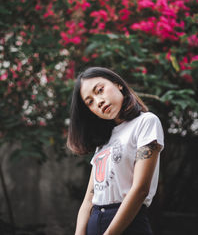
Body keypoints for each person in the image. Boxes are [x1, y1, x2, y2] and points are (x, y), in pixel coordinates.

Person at [67, 67, 164, 235]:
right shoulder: (104, 140)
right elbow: (89, 199)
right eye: (90, 102)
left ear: (118, 84)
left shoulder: (146, 122)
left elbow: (140, 189)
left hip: (127, 225)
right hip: (94, 223)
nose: (98, 101)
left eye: (100, 90)